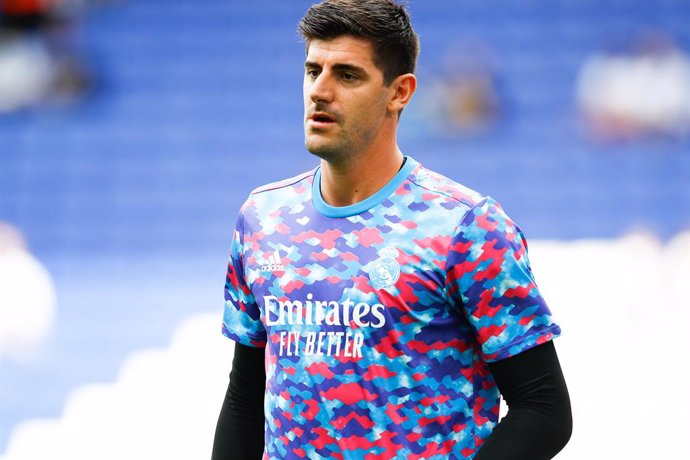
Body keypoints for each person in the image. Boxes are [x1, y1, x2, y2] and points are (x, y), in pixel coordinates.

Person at [213, 1, 572, 459]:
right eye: (312, 70)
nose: (320, 91)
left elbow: (543, 408)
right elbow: (244, 398)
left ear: (399, 92)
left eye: (347, 75)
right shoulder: (262, 218)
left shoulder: (465, 225)